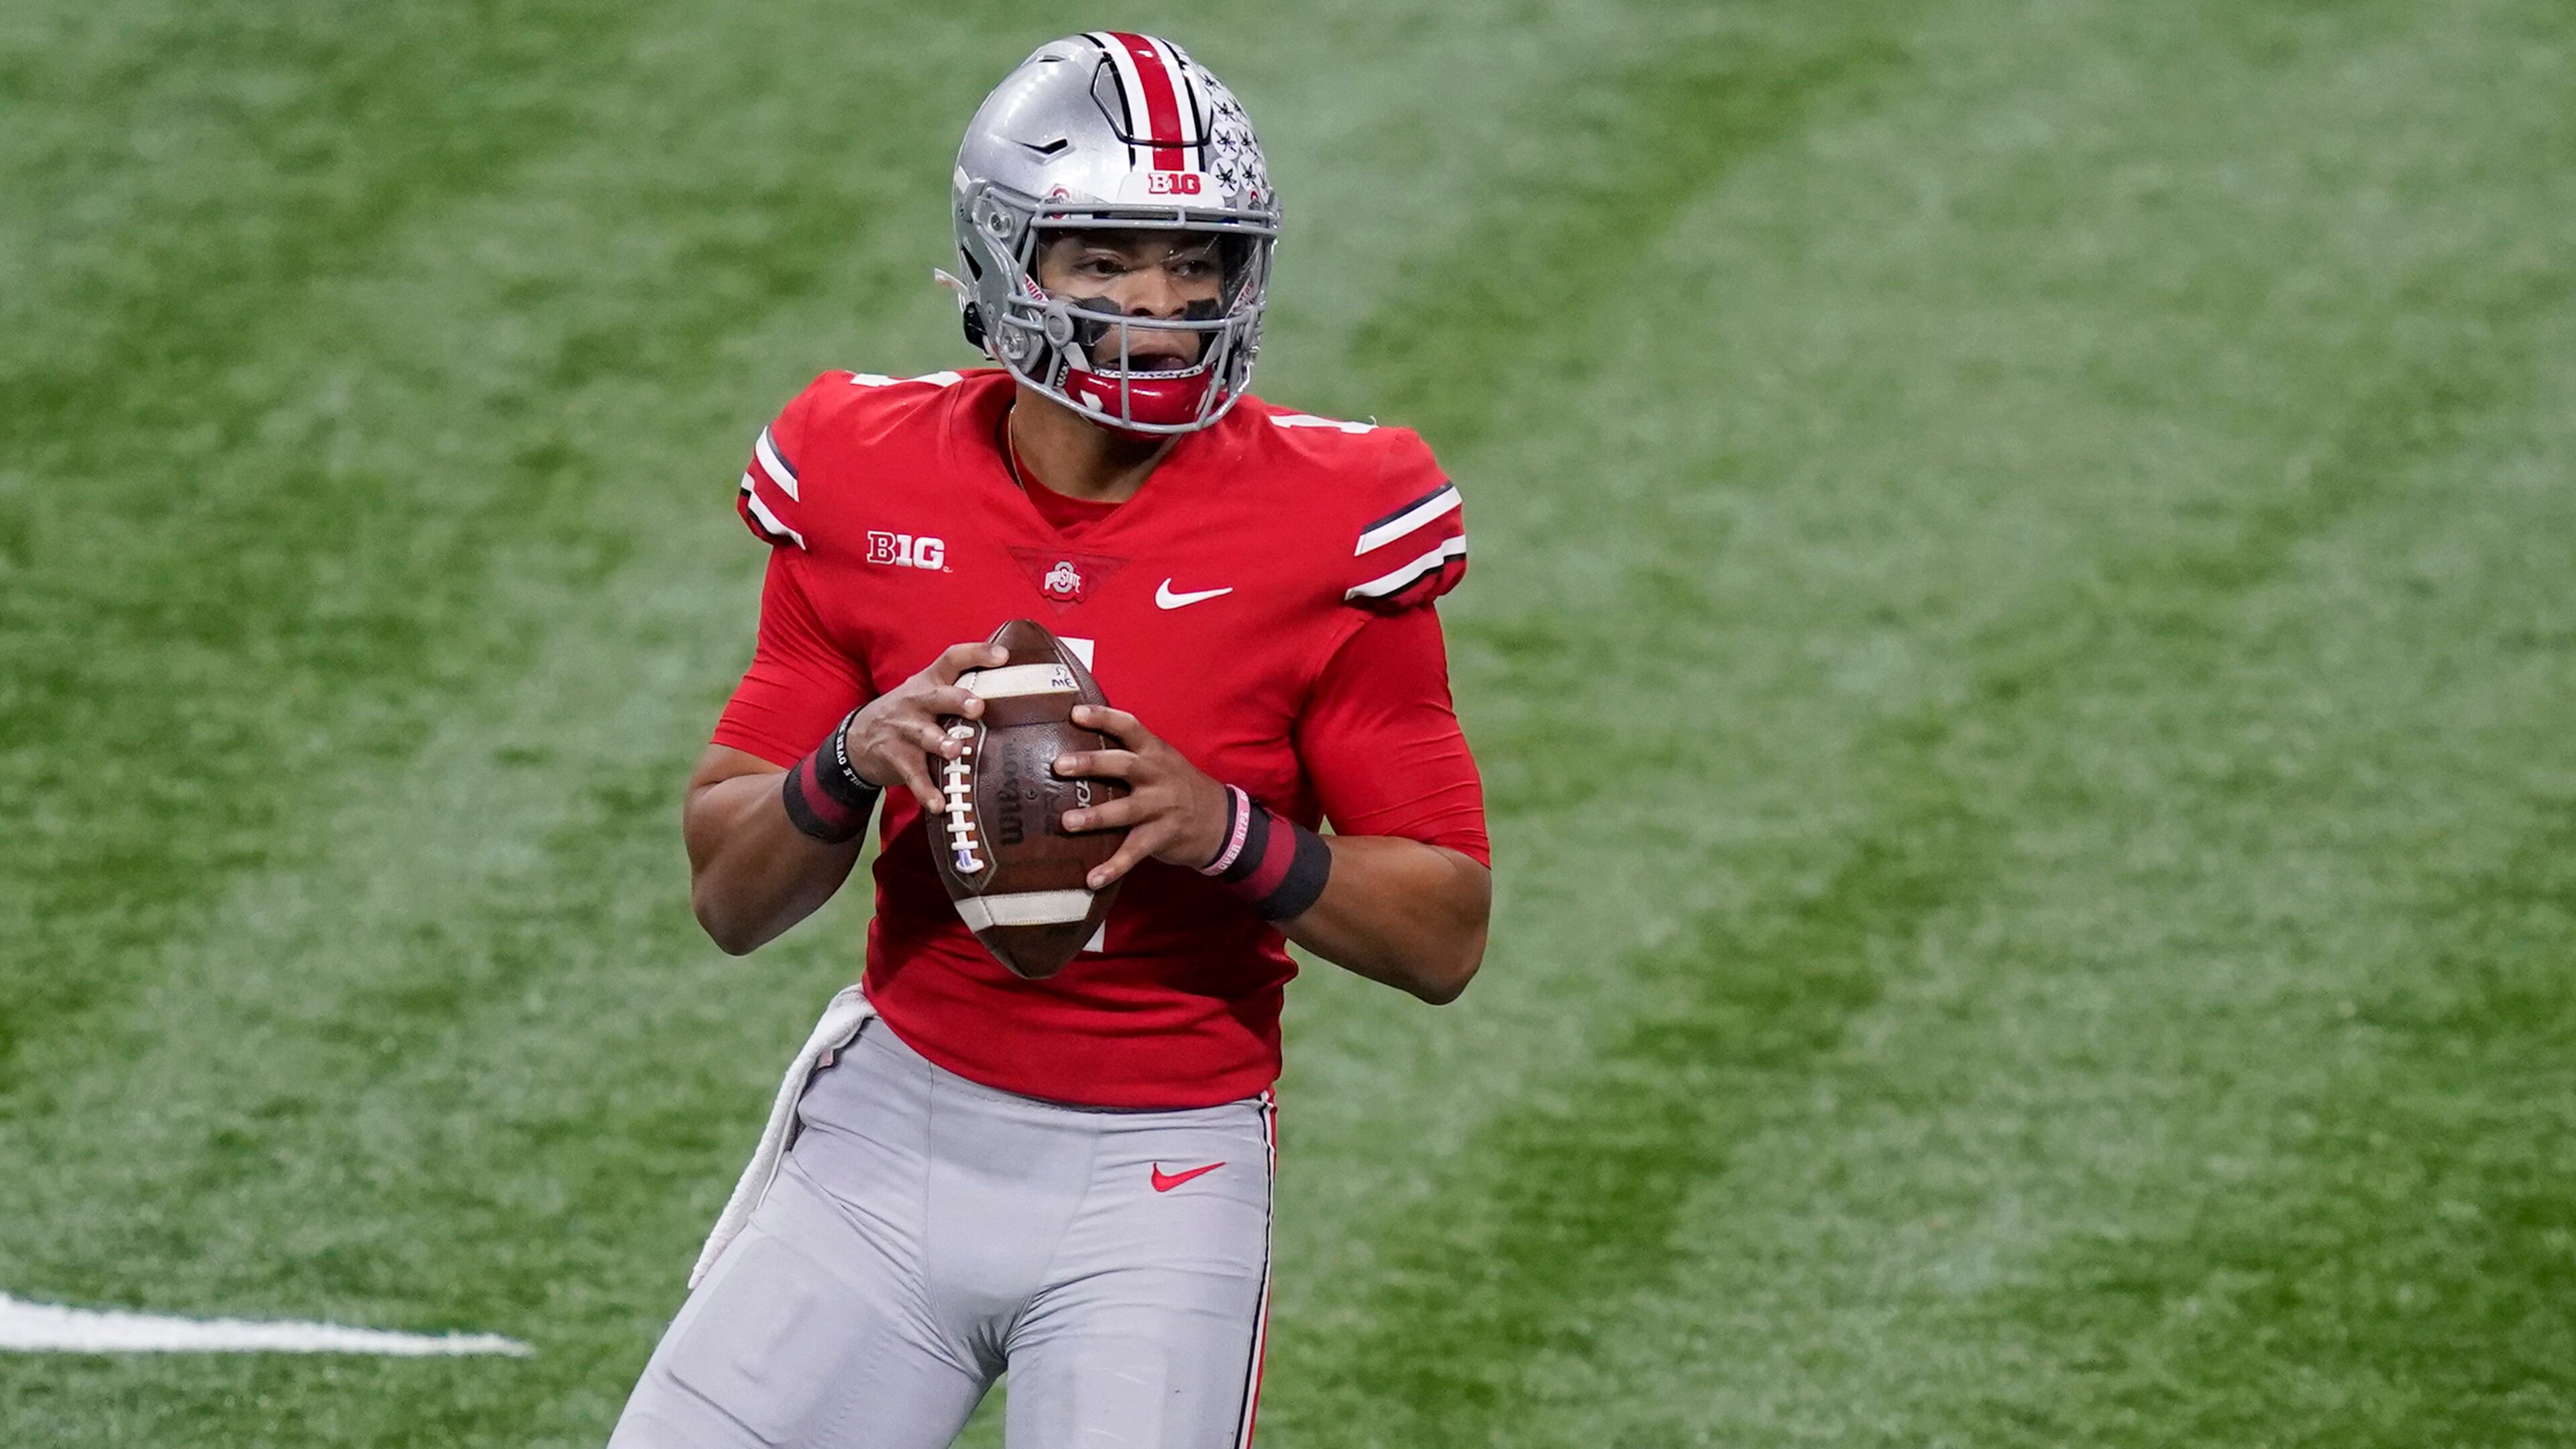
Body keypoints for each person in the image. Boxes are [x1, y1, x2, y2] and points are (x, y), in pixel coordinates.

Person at [608, 32, 1490, 1449]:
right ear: (1004, 259)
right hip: (888, 1138)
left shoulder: (1340, 518)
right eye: (1114, 256)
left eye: (1200, 261)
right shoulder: (858, 468)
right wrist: (848, 761)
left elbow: (1444, 932)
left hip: (1163, 1173)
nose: (1168, 300)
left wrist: (1227, 833)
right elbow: (729, 895)